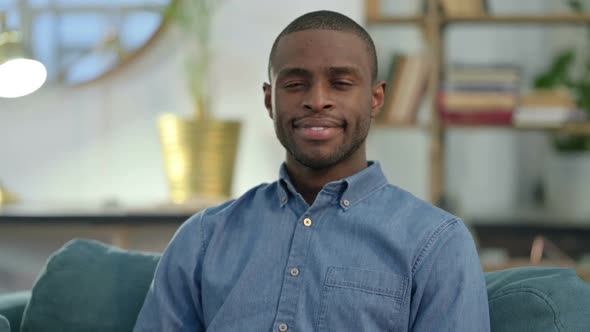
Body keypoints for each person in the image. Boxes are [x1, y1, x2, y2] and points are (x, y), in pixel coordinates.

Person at [134, 10, 490, 331]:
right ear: (269, 100)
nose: (317, 99)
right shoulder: (202, 239)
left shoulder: (437, 243)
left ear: (375, 98)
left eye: (341, 83)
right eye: (295, 84)